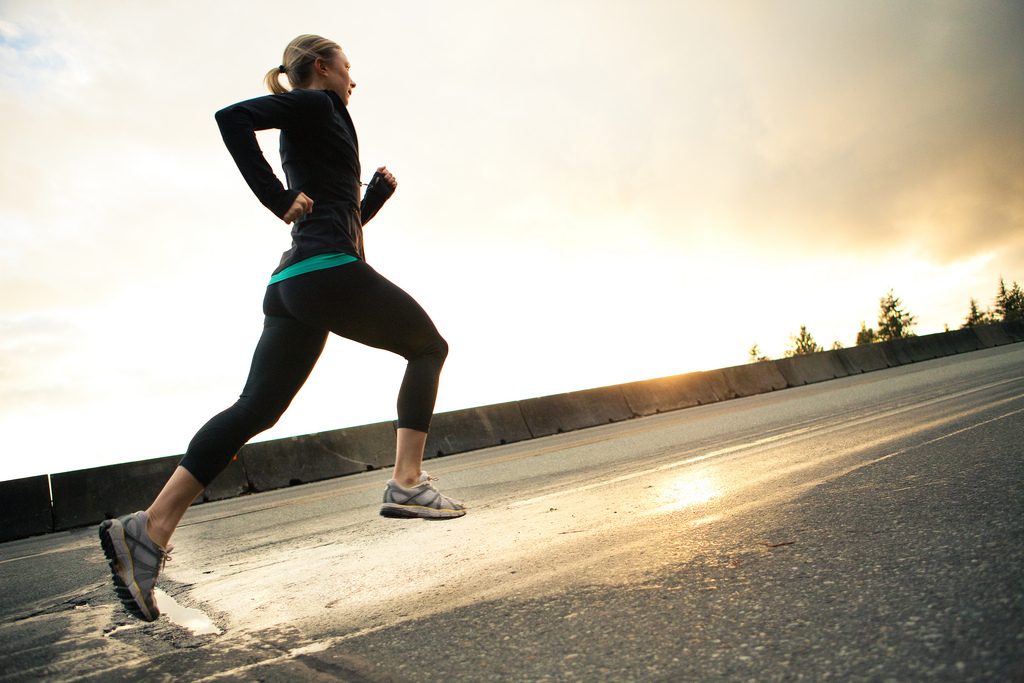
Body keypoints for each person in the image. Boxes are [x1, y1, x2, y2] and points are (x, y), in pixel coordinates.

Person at [98, 34, 465, 623]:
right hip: (323, 273)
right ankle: (407, 482)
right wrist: (275, 196)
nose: (354, 78)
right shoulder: (318, 105)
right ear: (323, 67)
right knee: (428, 347)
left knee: (255, 409)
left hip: (293, 282)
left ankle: (149, 529)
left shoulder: (320, 122)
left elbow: (330, 217)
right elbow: (232, 119)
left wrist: (370, 200)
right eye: (348, 66)